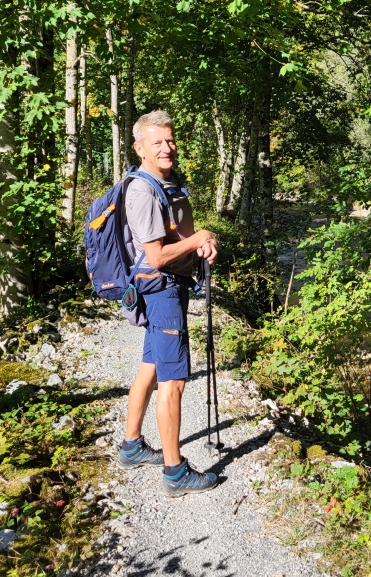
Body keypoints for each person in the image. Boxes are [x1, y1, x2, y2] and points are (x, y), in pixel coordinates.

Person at [115, 110, 220, 497]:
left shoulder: (169, 183)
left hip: (170, 285)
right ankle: (175, 473)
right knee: (173, 381)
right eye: (156, 142)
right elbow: (157, 256)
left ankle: (131, 447)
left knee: (151, 366)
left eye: (170, 140)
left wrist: (201, 242)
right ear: (139, 147)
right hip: (161, 288)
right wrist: (196, 241)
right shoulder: (142, 190)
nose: (166, 148)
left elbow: (182, 232)